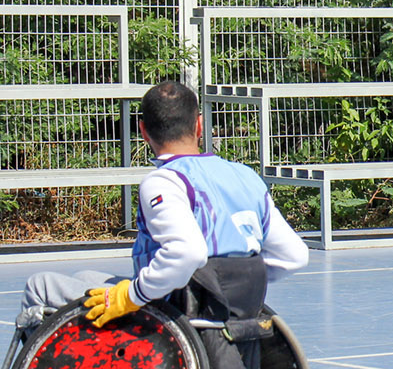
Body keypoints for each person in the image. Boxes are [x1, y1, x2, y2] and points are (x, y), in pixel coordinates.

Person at [15, 81, 309, 333]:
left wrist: (133, 295)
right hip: (226, 310)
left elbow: (187, 252)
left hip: (170, 312)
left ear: (143, 131)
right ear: (198, 125)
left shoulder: (164, 182)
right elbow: (294, 256)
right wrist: (228, 286)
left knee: (40, 286)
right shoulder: (246, 176)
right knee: (85, 280)